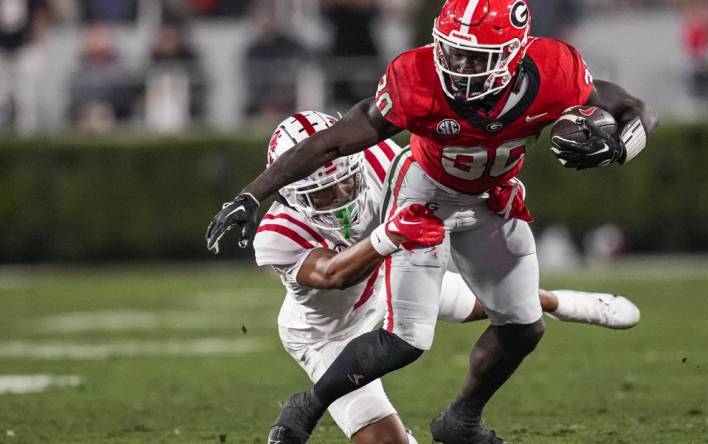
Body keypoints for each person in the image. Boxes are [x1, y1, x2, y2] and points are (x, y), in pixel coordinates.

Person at [206, 1, 659, 442]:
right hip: (425, 199)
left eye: (472, 55)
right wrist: (252, 195)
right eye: (450, 48)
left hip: (490, 199)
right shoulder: (416, 80)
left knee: (522, 329)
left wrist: (620, 146)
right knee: (408, 339)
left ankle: (461, 420)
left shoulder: (555, 72)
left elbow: (634, 108)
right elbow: (333, 145)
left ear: (512, 55)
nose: (456, 63)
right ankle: (305, 407)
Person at [251, 111, 639, 444]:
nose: (339, 195)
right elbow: (333, 273)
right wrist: (390, 234)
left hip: (389, 282)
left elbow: (447, 186)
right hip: (327, 333)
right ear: (292, 194)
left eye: (345, 181)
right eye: (323, 194)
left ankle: (572, 304)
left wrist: (493, 191)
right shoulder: (277, 232)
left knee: (506, 303)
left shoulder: (380, 157)